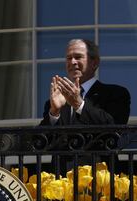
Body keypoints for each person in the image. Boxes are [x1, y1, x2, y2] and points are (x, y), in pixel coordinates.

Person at [39, 39, 131, 173]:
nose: (72, 62)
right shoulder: (56, 101)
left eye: (78, 57)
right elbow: (41, 143)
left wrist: (79, 104)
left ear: (94, 63)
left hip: (101, 180)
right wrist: (54, 112)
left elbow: (114, 129)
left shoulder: (116, 93)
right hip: (61, 183)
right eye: (69, 58)